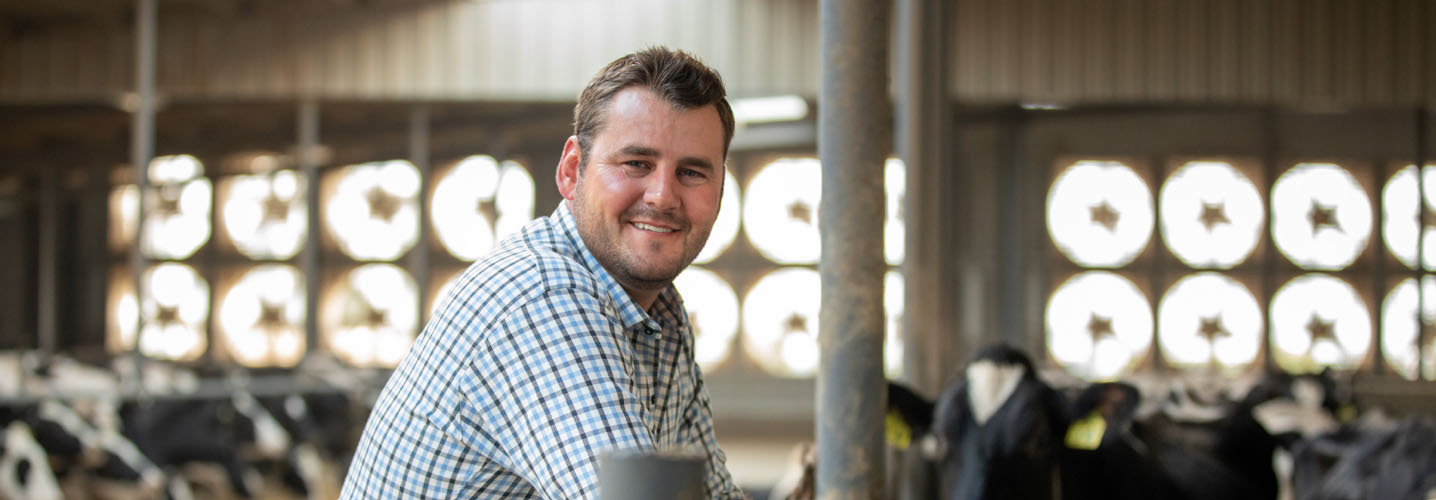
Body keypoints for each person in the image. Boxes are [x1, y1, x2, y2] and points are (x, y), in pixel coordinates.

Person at [339, 46, 747, 499]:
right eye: (636, 164)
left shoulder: (662, 315)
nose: (662, 196)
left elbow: (713, 495)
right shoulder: (543, 299)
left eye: (692, 173)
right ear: (573, 171)